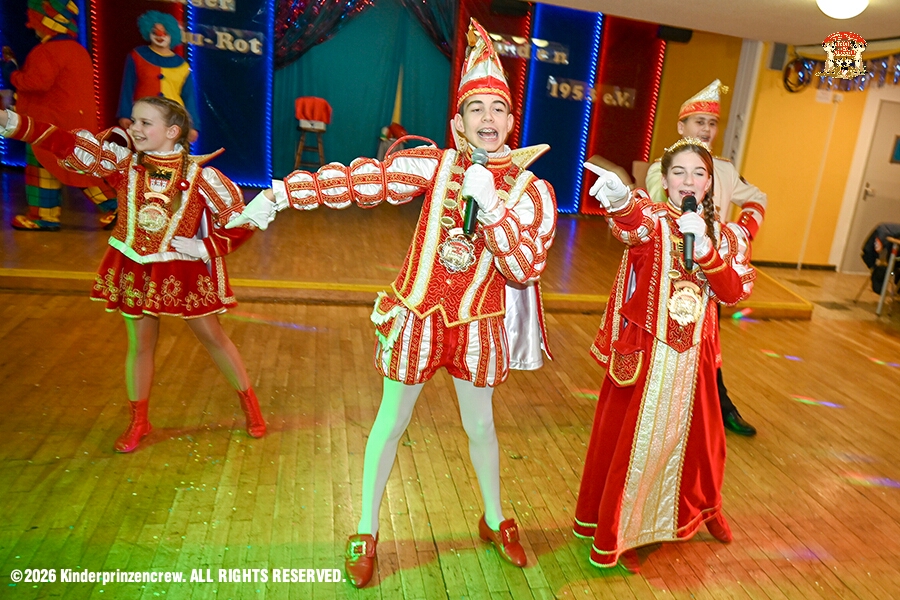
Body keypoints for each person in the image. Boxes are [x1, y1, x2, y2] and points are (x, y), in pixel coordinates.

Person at [228, 18, 557, 588]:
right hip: (419, 316)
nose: (487, 119)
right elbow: (363, 180)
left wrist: (493, 209)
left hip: (477, 324)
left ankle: (494, 517)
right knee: (391, 422)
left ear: (511, 122)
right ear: (457, 123)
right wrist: (280, 194)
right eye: (475, 109)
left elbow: (524, 267)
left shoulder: (533, 191)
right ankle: (366, 527)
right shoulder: (435, 165)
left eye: (497, 110)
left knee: (481, 427)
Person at [0, 96, 266, 452]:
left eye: (145, 123)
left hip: (181, 269)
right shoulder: (123, 163)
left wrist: (205, 247)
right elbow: (67, 143)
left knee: (213, 338)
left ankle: (249, 404)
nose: (134, 128)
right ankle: (139, 420)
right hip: (134, 266)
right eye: (133, 120)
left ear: (172, 132)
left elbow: (241, 220)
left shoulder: (202, 176)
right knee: (140, 345)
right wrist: (13, 122)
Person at [573, 138, 755, 572]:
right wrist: (619, 200)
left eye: (698, 173)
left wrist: (706, 250)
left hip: (695, 359)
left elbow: (733, 293)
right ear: (665, 180)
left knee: (704, 448)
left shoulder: (725, 236)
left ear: (709, 184)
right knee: (638, 447)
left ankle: (704, 508)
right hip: (648, 355)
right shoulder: (652, 220)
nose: (688, 181)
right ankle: (626, 532)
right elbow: (629, 223)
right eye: (679, 172)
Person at [644, 79, 766, 437]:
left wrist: (741, 234)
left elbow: (757, 198)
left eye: (712, 123)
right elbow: (654, 218)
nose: (707, 129)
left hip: (711, 274)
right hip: (669, 277)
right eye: (699, 122)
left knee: (707, 347)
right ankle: (661, 414)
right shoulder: (662, 169)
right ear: (681, 127)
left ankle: (715, 411)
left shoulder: (724, 170)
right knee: (666, 346)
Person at [1, 0, 117, 231]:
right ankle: (45, 215)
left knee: (65, 169)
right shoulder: (78, 50)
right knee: (67, 167)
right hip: (74, 123)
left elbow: (35, 83)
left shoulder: (47, 51)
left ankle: (115, 208)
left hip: (49, 124)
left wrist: (11, 71)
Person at [118, 11, 200, 143]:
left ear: (172, 34)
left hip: (172, 120)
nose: (160, 35)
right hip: (144, 117)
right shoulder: (137, 56)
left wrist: (193, 126)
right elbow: (127, 88)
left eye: (164, 32)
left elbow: (189, 97)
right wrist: (125, 114)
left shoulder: (182, 65)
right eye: (155, 31)